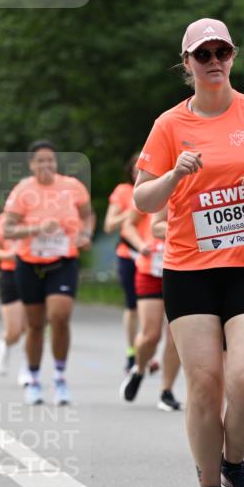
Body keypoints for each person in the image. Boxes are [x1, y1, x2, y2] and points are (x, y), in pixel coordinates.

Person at [133, 18, 244, 487]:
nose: (215, 61)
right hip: (190, 268)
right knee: (204, 383)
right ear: (187, 64)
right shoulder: (169, 125)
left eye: (222, 51)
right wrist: (173, 174)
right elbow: (142, 197)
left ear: (233, 56)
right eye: (203, 54)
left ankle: (234, 461)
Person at [3, 141, 92, 405]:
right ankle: (32, 377)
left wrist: (85, 233)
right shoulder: (23, 190)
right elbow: (8, 228)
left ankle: (60, 377)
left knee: (60, 316)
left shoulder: (72, 187)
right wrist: (36, 229)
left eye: (50, 160)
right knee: (35, 325)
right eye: (40, 161)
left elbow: (88, 215)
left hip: (63, 261)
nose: (46, 165)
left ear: (56, 162)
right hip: (29, 262)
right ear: (31, 164)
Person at [119, 205, 182, 410]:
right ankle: (138, 369)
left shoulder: (196, 184)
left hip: (183, 268)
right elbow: (128, 225)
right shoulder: (154, 188)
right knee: (151, 334)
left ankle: (166, 391)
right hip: (151, 270)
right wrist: (140, 244)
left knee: (176, 335)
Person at [104, 153, 140, 372]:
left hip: (159, 255)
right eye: (135, 168)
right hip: (130, 254)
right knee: (133, 305)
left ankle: (149, 351)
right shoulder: (123, 192)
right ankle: (131, 352)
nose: (139, 171)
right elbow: (109, 225)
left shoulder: (164, 186)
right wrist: (130, 213)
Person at [0, 212, 28, 383]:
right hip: (10, 274)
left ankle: (28, 369)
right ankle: (5, 346)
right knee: (14, 331)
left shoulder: (39, 217)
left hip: (34, 273)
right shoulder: (4, 219)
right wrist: (9, 255)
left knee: (32, 327)